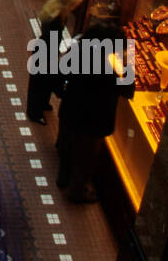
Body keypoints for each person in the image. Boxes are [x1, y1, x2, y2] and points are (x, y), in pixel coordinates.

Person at [56, 14, 134, 203]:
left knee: (67, 145)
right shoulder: (106, 71)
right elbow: (128, 90)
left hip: (70, 111)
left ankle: (63, 177)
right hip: (91, 124)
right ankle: (77, 192)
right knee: (86, 158)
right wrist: (127, 62)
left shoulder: (78, 51)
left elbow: (61, 70)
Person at [28, 0, 85, 124]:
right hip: (45, 55)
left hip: (47, 52)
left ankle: (42, 104)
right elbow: (50, 41)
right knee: (40, 85)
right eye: (75, 4)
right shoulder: (56, 19)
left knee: (44, 83)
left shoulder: (56, 10)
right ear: (68, 4)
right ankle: (35, 113)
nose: (76, 6)